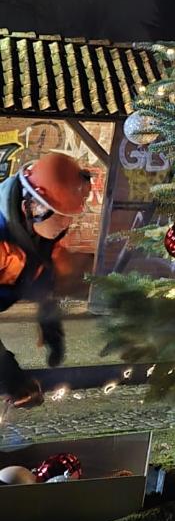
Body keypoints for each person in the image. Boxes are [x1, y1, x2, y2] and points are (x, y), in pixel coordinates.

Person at [0, 152, 90, 407]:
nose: (64, 226)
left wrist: (49, 317)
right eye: (60, 216)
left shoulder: (39, 231)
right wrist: (8, 374)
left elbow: (42, 268)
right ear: (33, 207)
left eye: (68, 217)